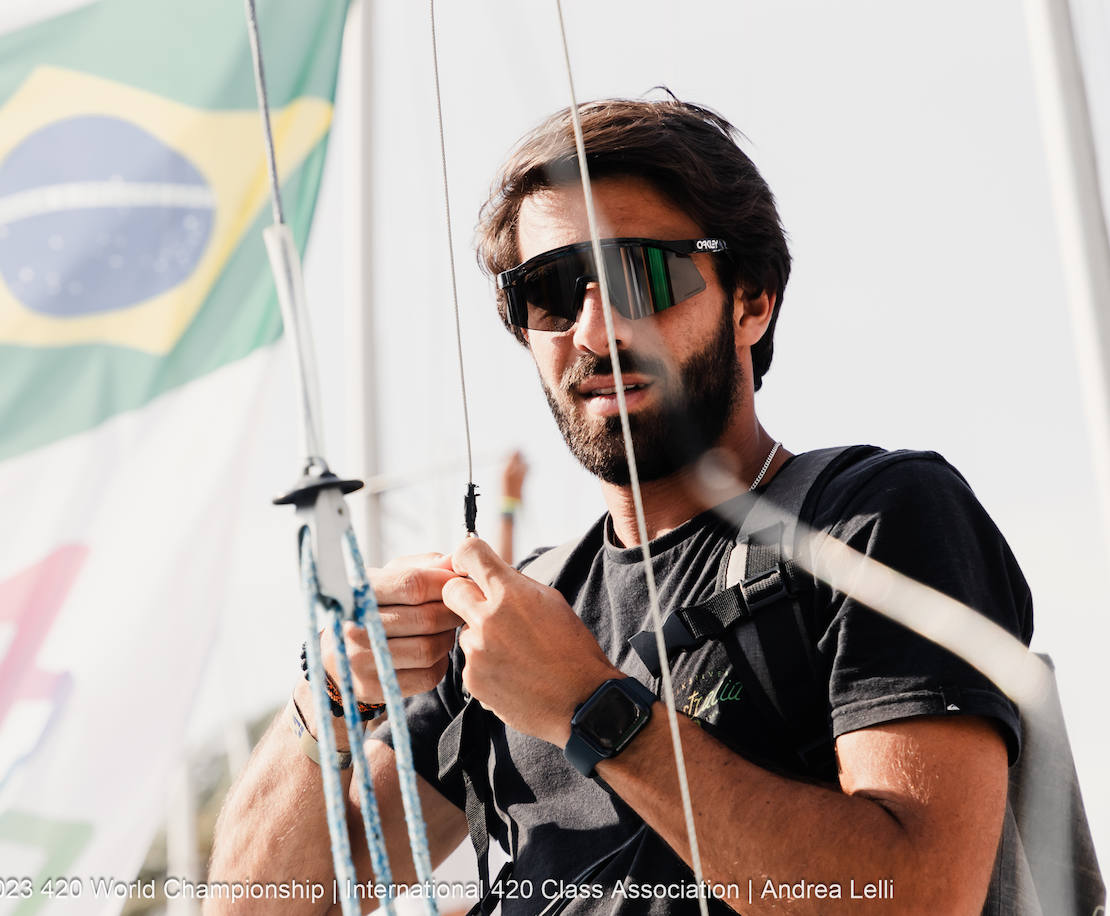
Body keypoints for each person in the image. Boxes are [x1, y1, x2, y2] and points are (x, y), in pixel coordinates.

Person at [209, 98, 1032, 915]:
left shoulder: (872, 520)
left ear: (752, 301)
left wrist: (586, 705)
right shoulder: (512, 620)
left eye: (644, 273)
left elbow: (914, 899)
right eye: (552, 291)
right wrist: (328, 701)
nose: (596, 330)